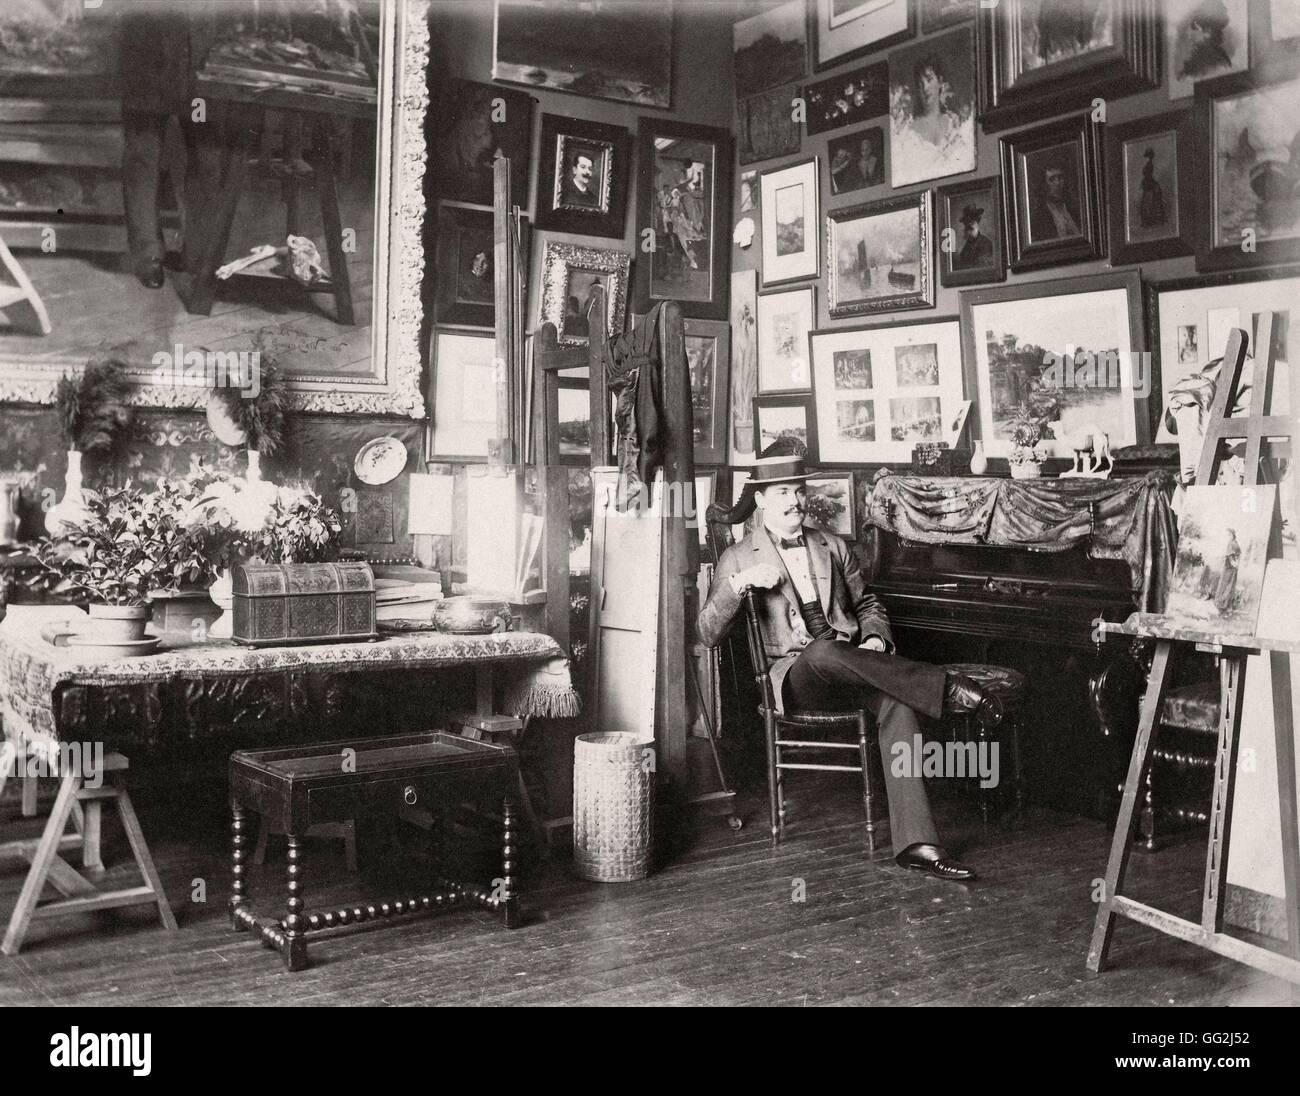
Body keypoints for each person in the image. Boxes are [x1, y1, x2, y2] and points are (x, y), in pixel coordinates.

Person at [697, 452, 995, 882]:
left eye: (799, 491)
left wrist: (876, 637)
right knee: (821, 652)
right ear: (761, 499)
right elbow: (706, 633)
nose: (795, 501)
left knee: (898, 704)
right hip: (796, 677)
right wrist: (738, 585)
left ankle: (918, 845)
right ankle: (947, 688)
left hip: (854, 663)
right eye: (783, 492)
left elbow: (869, 603)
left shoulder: (831, 544)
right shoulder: (740, 557)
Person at [119, 2, 223, 288]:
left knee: (206, 154)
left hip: (199, 57)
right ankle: (147, 255)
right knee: (143, 155)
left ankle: (197, 253)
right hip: (146, 53)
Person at [1029, 160, 1082, 240]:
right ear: (1044, 184)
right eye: (1052, 179)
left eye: (1060, 177)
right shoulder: (1039, 215)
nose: (1057, 183)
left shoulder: (1072, 208)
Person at [954, 204, 994, 268]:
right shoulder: (967, 245)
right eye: (967, 221)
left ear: (977, 221)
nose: (970, 223)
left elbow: (983, 266)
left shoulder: (986, 243)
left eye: (972, 220)